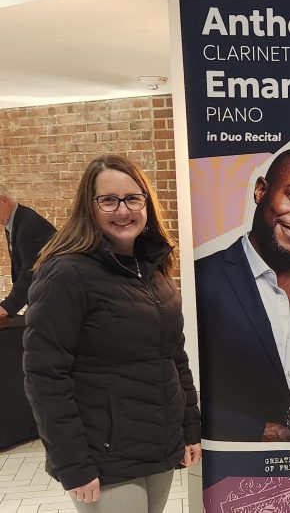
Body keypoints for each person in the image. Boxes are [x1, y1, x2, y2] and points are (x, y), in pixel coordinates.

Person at [23, 155, 201, 512]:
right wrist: (73, 464)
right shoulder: (66, 274)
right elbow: (45, 376)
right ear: (89, 207)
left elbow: (173, 356)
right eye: (109, 200)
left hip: (158, 444)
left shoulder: (153, 269)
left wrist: (189, 428)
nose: (123, 210)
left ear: (147, 204)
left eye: (133, 198)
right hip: (103, 456)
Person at [195, 147, 290, 443]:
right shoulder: (202, 278)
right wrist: (258, 432)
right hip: (228, 464)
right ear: (260, 191)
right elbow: (180, 394)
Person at [0, 184, 55, 316]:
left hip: (54, 301)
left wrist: (7, 307)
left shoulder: (28, 226)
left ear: (3, 200)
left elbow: (31, 271)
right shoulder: (16, 220)